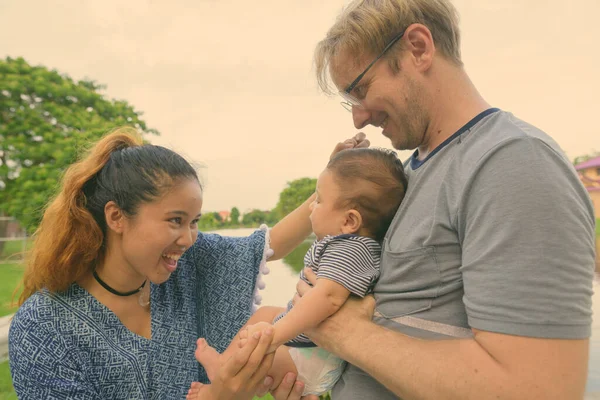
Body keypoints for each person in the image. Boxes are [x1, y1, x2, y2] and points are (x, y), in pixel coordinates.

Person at [287, 0, 597, 399]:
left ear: (418, 48)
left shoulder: (513, 165)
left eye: (361, 89)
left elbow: (537, 389)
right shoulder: (408, 174)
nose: (358, 118)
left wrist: (336, 329)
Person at [8, 127, 364, 399]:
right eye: (175, 220)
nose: (189, 238)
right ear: (116, 217)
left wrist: (328, 193)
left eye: (194, 221)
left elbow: (266, 246)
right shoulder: (43, 327)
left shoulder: (183, 266)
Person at [188, 147, 408, 399]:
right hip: (306, 343)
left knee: (261, 346)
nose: (312, 207)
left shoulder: (351, 250)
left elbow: (328, 298)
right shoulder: (346, 244)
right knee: (265, 314)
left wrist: (274, 336)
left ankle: (215, 390)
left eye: (319, 200)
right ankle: (223, 366)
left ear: (349, 221)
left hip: (312, 354)